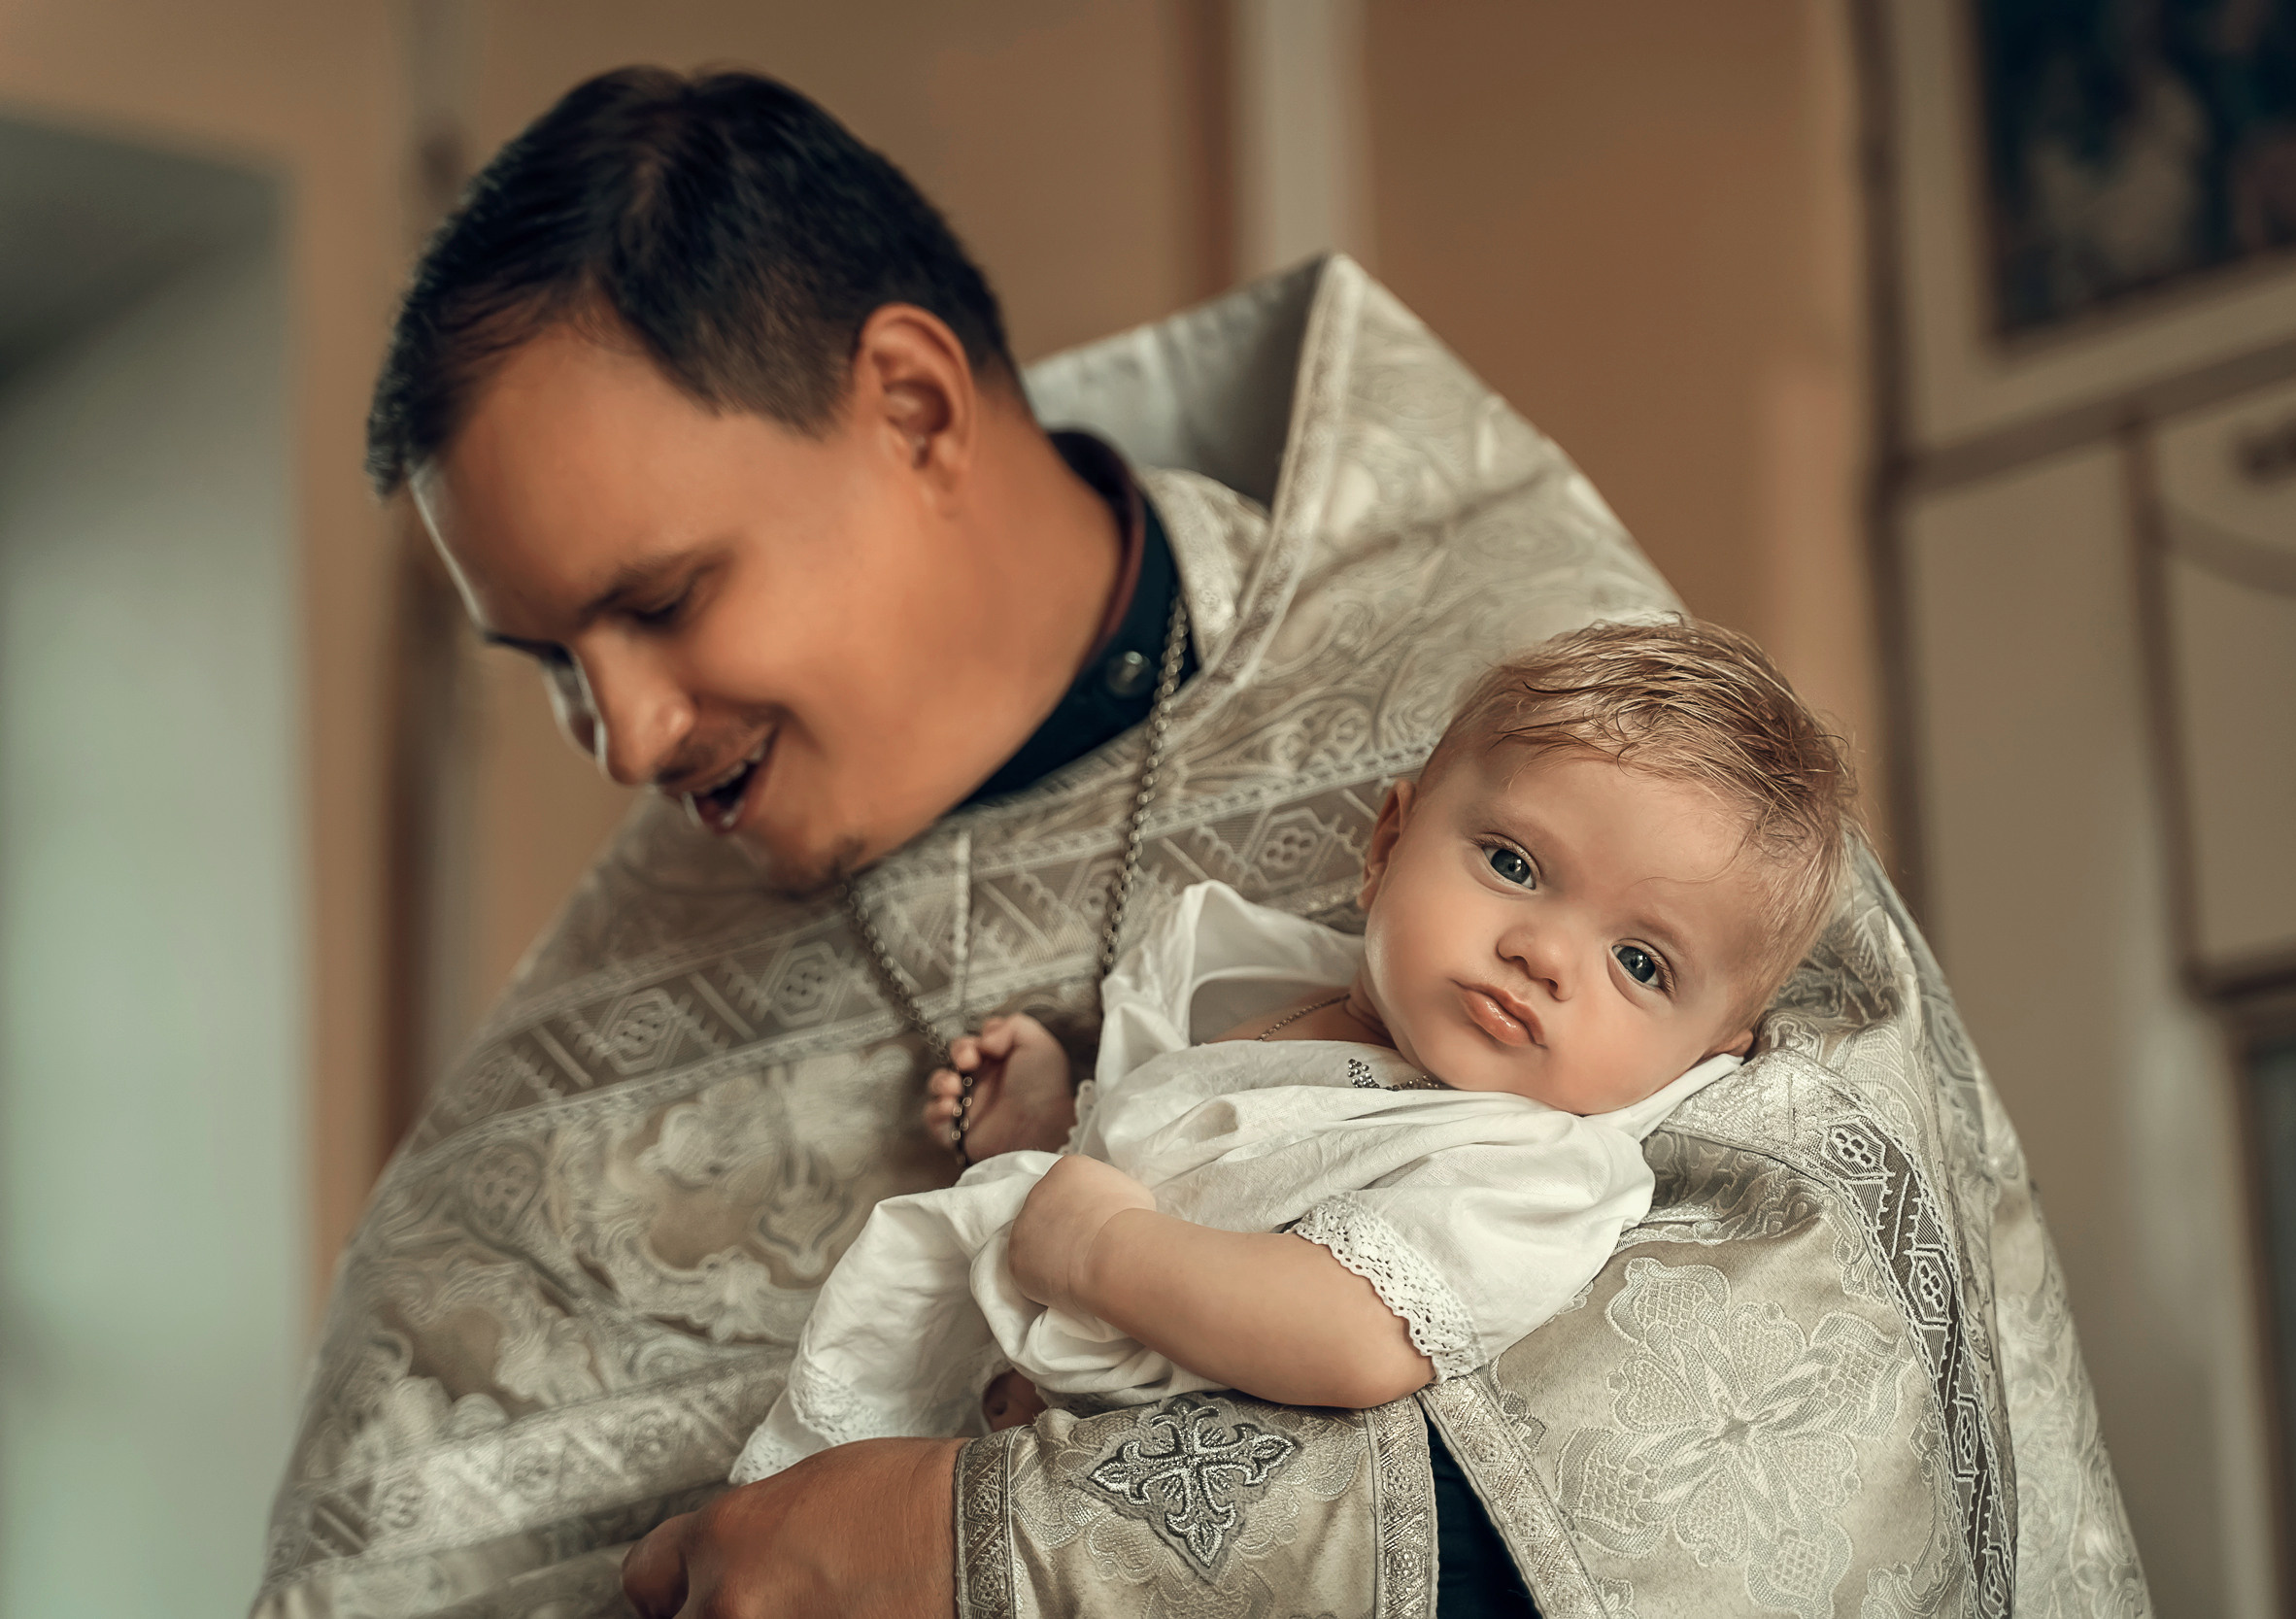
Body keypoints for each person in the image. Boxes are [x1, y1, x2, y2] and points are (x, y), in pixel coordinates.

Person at [253, 65, 2148, 1619]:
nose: (626, 736)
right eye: (551, 667)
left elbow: (1805, 1440)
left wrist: (998, 1552)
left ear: (909, 404)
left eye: (660, 599)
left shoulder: (1551, 749)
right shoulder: (572, 1069)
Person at [735, 620, 1846, 1485]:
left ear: (1707, 1052)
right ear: (1386, 843)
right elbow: (1169, 1140)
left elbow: (1352, 1330)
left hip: (1080, 1477)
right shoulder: (1264, 984)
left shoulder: (1534, 1167)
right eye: (1512, 863)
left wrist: (1101, 1253)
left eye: (1640, 963)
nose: (1543, 951)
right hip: (980, 1379)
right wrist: (1049, 1122)